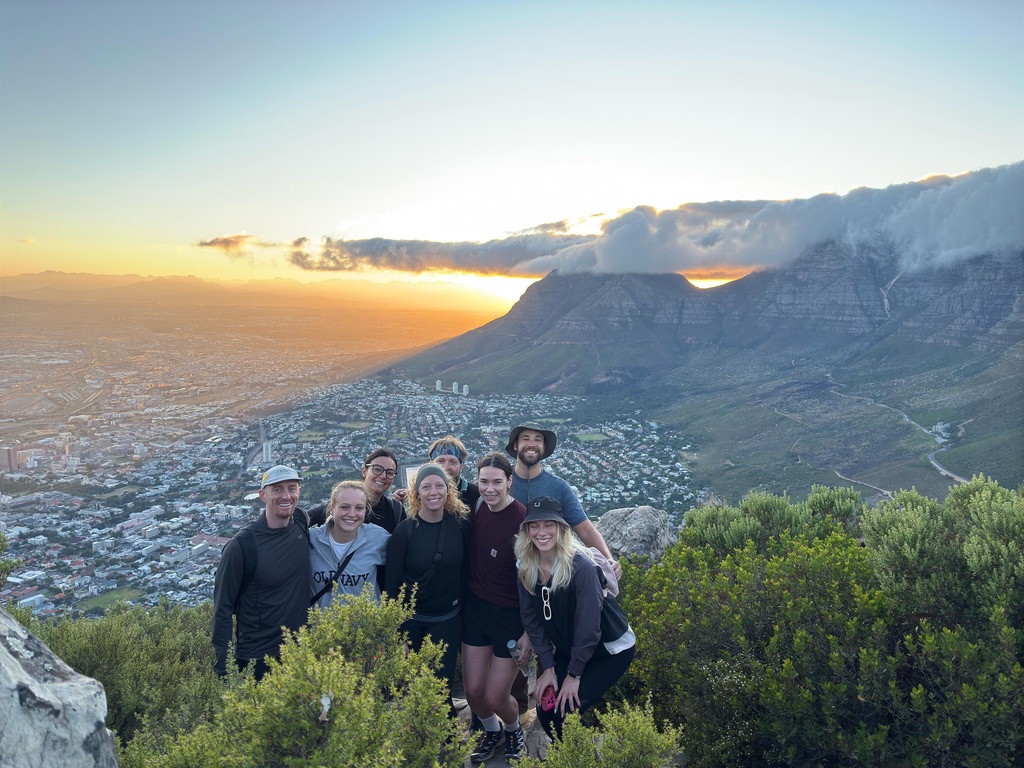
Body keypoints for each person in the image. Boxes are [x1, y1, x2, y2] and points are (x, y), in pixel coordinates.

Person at [515, 496, 636, 740]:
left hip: (609, 650)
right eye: (534, 526)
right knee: (546, 709)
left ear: (561, 529)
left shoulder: (581, 568)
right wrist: (548, 668)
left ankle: (580, 757)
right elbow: (531, 619)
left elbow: (589, 628)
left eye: (549, 525)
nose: (541, 532)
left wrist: (574, 676)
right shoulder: (526, 567)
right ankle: (571, 756)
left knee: (564, 710)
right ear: (527, 531)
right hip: (572, 648)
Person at [384, 463, 471, 720]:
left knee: (441, 685)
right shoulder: (405, 532)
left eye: (439, 485)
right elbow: (392, 586)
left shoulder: (460, 527)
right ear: (417, 493)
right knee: (414, 685)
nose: (433, 492)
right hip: (413, 621)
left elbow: (466, 573)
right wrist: (398, 636)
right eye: (426, 486)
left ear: (448, 490)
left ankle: (447, 745)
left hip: (446, 619)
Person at [212, 464, 311, 681]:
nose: (286, 496)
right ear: (262, 495)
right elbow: (222, 609)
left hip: (301, 652)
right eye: (277, 489)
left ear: (299, 492)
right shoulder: (241, 546)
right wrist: (223, 669)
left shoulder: (302, 521)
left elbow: (343, 511)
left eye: (292, 488)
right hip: (257, 660)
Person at [462, 452, 530, 762]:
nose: (490, 489)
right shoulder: (476, 507)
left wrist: (531, 632)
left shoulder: (523, 520)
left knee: (496, 695)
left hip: (510, 617)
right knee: (474, 692)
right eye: (484, 482)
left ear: (509, 482)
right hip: (477, 610)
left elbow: (537, 579)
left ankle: (513, 728)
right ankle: (492, 731)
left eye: (497, 482)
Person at [506, 422, 621, 578]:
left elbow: (585, 529)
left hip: (546, 575)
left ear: (544, 447)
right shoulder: (501, 483)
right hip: (503, 571)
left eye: (538, 439)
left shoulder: (559, 488)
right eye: (526, 439)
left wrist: (608, 559)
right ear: (515, 445)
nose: (531, 444)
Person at [309, 479, 389, 608]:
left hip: (366, 627)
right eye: (344, 507)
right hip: (321, 627)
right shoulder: (311, 540)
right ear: (332, 509)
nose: (352, 514)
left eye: (359, 508)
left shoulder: (377, 538)